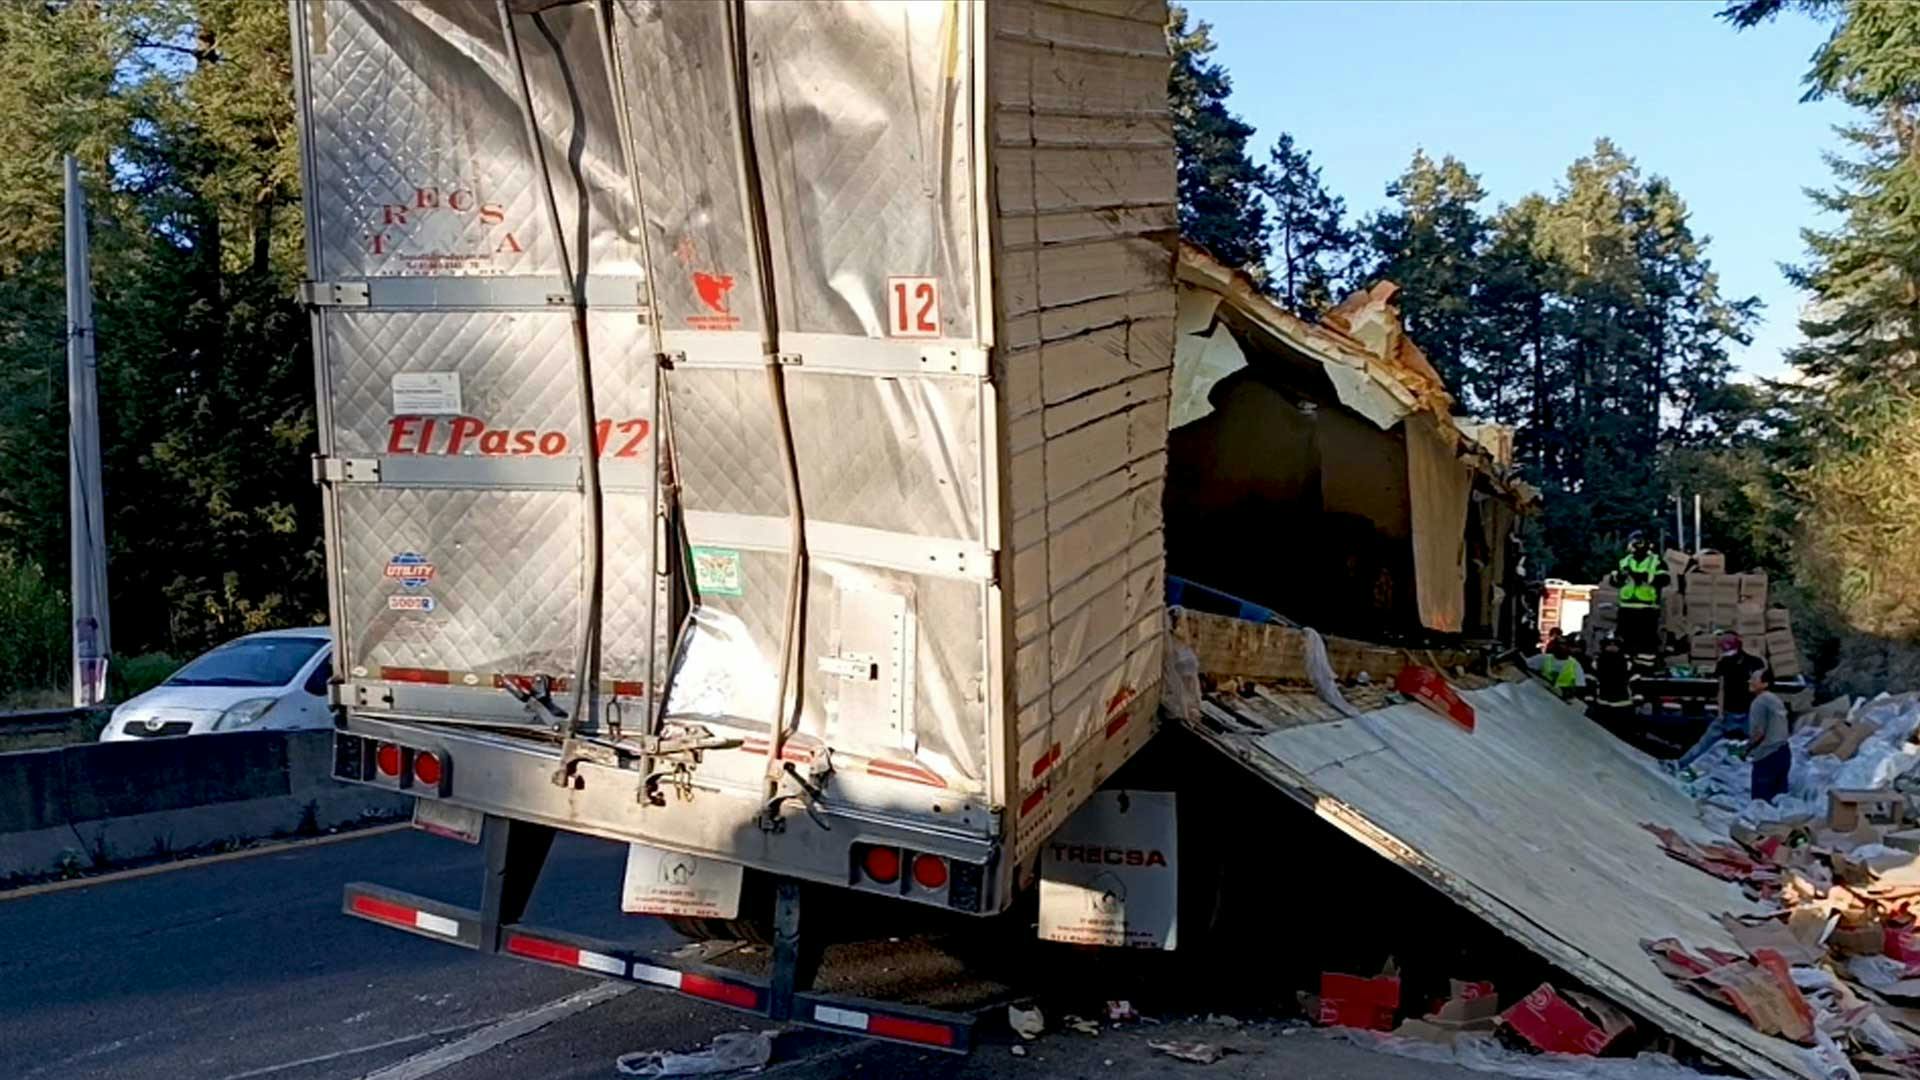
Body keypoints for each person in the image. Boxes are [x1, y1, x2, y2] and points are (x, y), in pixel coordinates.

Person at [1670, 633, 1769, 775]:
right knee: (1707, 744)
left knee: (1707, 745)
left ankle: (1681, 764)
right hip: (1736, 714)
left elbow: (1725, 689)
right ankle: (1680, 764)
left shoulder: (1746, 663)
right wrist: (1721, 712)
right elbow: (1723, 688)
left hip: (1742, 714)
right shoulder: (1737, 663)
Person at [1610, 531, 1670, 667]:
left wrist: (1642, 576)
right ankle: (1626, 667)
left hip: (1647, 609)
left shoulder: (1656, 561)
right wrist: (1619, 576)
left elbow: (1664, 579)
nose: (1634, 547)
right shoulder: (1624, 561)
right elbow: (1613, 581)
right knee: (1625, 642)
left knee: (1646, 644)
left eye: (1637, 543)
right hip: (1626, 608)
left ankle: (1645, 668)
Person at [1747, 666, 1791, 803]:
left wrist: (1747, 748)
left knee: (1760, 803)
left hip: (1767, 755)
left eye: (1754, 679)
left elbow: (1758, 732)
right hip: (1783, 752)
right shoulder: (1775, 700)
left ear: (1765, 684)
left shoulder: (1759, 702)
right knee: (1778, 800)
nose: (1749, 681)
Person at [1587, 636, 1636, 727]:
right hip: (1602, 704)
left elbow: (1634, 681)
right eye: (1609, 645)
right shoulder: (1597, 662)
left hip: (1623, 704)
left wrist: (1637, 697)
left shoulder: (1627, 663)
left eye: (1615, 645)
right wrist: (1589, 697)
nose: (1612, 647)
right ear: (1604, 646)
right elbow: (1591, 680)